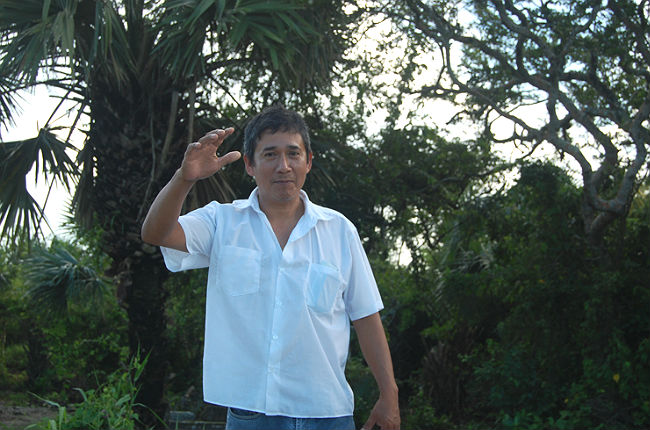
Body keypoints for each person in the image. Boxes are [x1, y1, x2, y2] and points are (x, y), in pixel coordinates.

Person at [141, 105, 400, 430]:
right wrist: (184, 178)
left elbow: (365, 316)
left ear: (308, 161)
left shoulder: (339, 230)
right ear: (250, 164)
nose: (283, 166)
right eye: (270, 155)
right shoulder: (222, 221)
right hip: (251, 414)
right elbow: (156, 233)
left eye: (293, 154)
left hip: (327, 413)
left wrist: (389, 394)